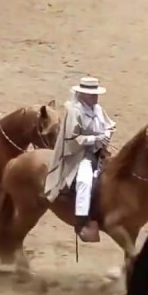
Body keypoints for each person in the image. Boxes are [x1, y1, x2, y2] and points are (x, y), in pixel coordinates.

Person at [43, 77, 116, 242]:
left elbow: (110, 125)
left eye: (96, 94)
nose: (95, 98)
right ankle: (81, 221)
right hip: (79, 156)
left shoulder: (97, 109)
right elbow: (73, 139)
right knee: (84, 180)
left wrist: (107, 135)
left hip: (99, 152)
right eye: (92, 94)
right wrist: (96, 139)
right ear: (82, 95)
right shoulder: (74, 111)